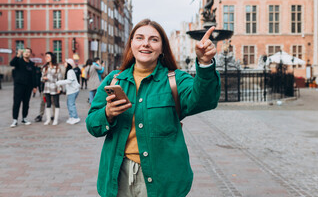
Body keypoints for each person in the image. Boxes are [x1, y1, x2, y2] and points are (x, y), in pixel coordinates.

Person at [86, 19, 220, 197]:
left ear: (162, 48)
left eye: (154, 39)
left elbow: (205, 100)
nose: (145, 44)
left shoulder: (176, 80)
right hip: (119, 174)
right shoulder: (114, 79)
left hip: (162, 176)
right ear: (131, 44)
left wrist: (204, 64)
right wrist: (107, 114)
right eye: (139, 38)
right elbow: (92, 125)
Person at [10, 48, 37, 128]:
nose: (26, 53)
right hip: (19, 85)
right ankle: (15, 119)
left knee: (26, 103)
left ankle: (24, 118)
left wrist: (35, 86)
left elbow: (33, 76)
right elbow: (11, 63)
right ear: (23, 53)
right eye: (25, 52)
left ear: (30, 54)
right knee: (17, 103)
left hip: (28, 86)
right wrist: (18, 55)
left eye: (28, 52)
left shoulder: (31, 64)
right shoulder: (19, 61)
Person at [56, 59, 81, 125]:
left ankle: (75, 117)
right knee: (69, 104)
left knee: (71, 104)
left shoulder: (70, 71)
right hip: (72, 90)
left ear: (69, 64)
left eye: (65, 62)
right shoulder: (70, 71)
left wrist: (59, 82)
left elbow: (69, 81)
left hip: (73, 91)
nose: (64, 63)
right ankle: (71, 117)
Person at [41, 52, 62, 125]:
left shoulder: (57, 68)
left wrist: (59, 88)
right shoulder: (45, 68)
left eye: (48, 56)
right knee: (48, 103)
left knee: (56, 103)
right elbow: (41, 79)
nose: (46, 58)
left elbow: (59, 79)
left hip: (55, 87)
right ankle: (48, 119)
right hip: (47, 88)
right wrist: (43, 78)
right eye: (46, 56)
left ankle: (55, 119)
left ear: (52, 58)